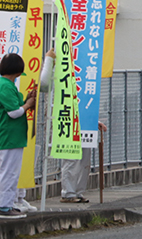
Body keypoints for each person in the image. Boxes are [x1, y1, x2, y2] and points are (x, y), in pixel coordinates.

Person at [39, 49, 109, 205]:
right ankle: (68, 192)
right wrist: (49, 60)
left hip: (84, 124)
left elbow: (85, 104)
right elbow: (44, 85)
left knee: (84, 161)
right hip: (66, 122)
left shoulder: (83, 78)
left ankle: (78, 191)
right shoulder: (61, 75)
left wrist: (93, 121)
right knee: (71, 160)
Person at [0, 54, 36, 219]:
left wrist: (26, 101)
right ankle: (5, 206)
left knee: (7, 171)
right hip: (9, 136)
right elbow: (14, 112)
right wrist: (28, 104)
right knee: (9, 172)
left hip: (8, 136)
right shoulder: (6, 86)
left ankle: (6, 205)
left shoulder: (5, 85)